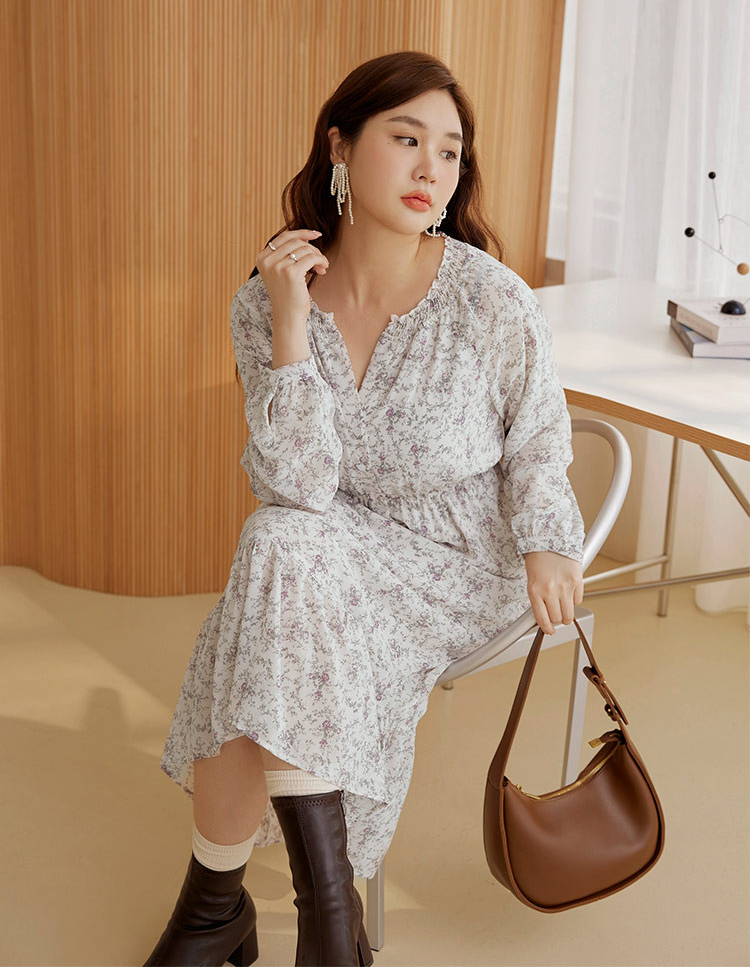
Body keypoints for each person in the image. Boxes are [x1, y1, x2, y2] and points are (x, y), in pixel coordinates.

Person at [142, 50, 585, 967]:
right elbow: (297, 486)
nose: (432, 169)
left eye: (450, 151)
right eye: (407, 139)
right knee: (279, 544)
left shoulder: (490, 300)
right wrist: (291, 324)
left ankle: (218, 911)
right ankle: (326, 926)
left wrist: (548, 542)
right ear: (340, 146)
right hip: (322, 543)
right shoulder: (266, 302)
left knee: (267, 587)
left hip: (461, 558)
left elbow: (541, 438)